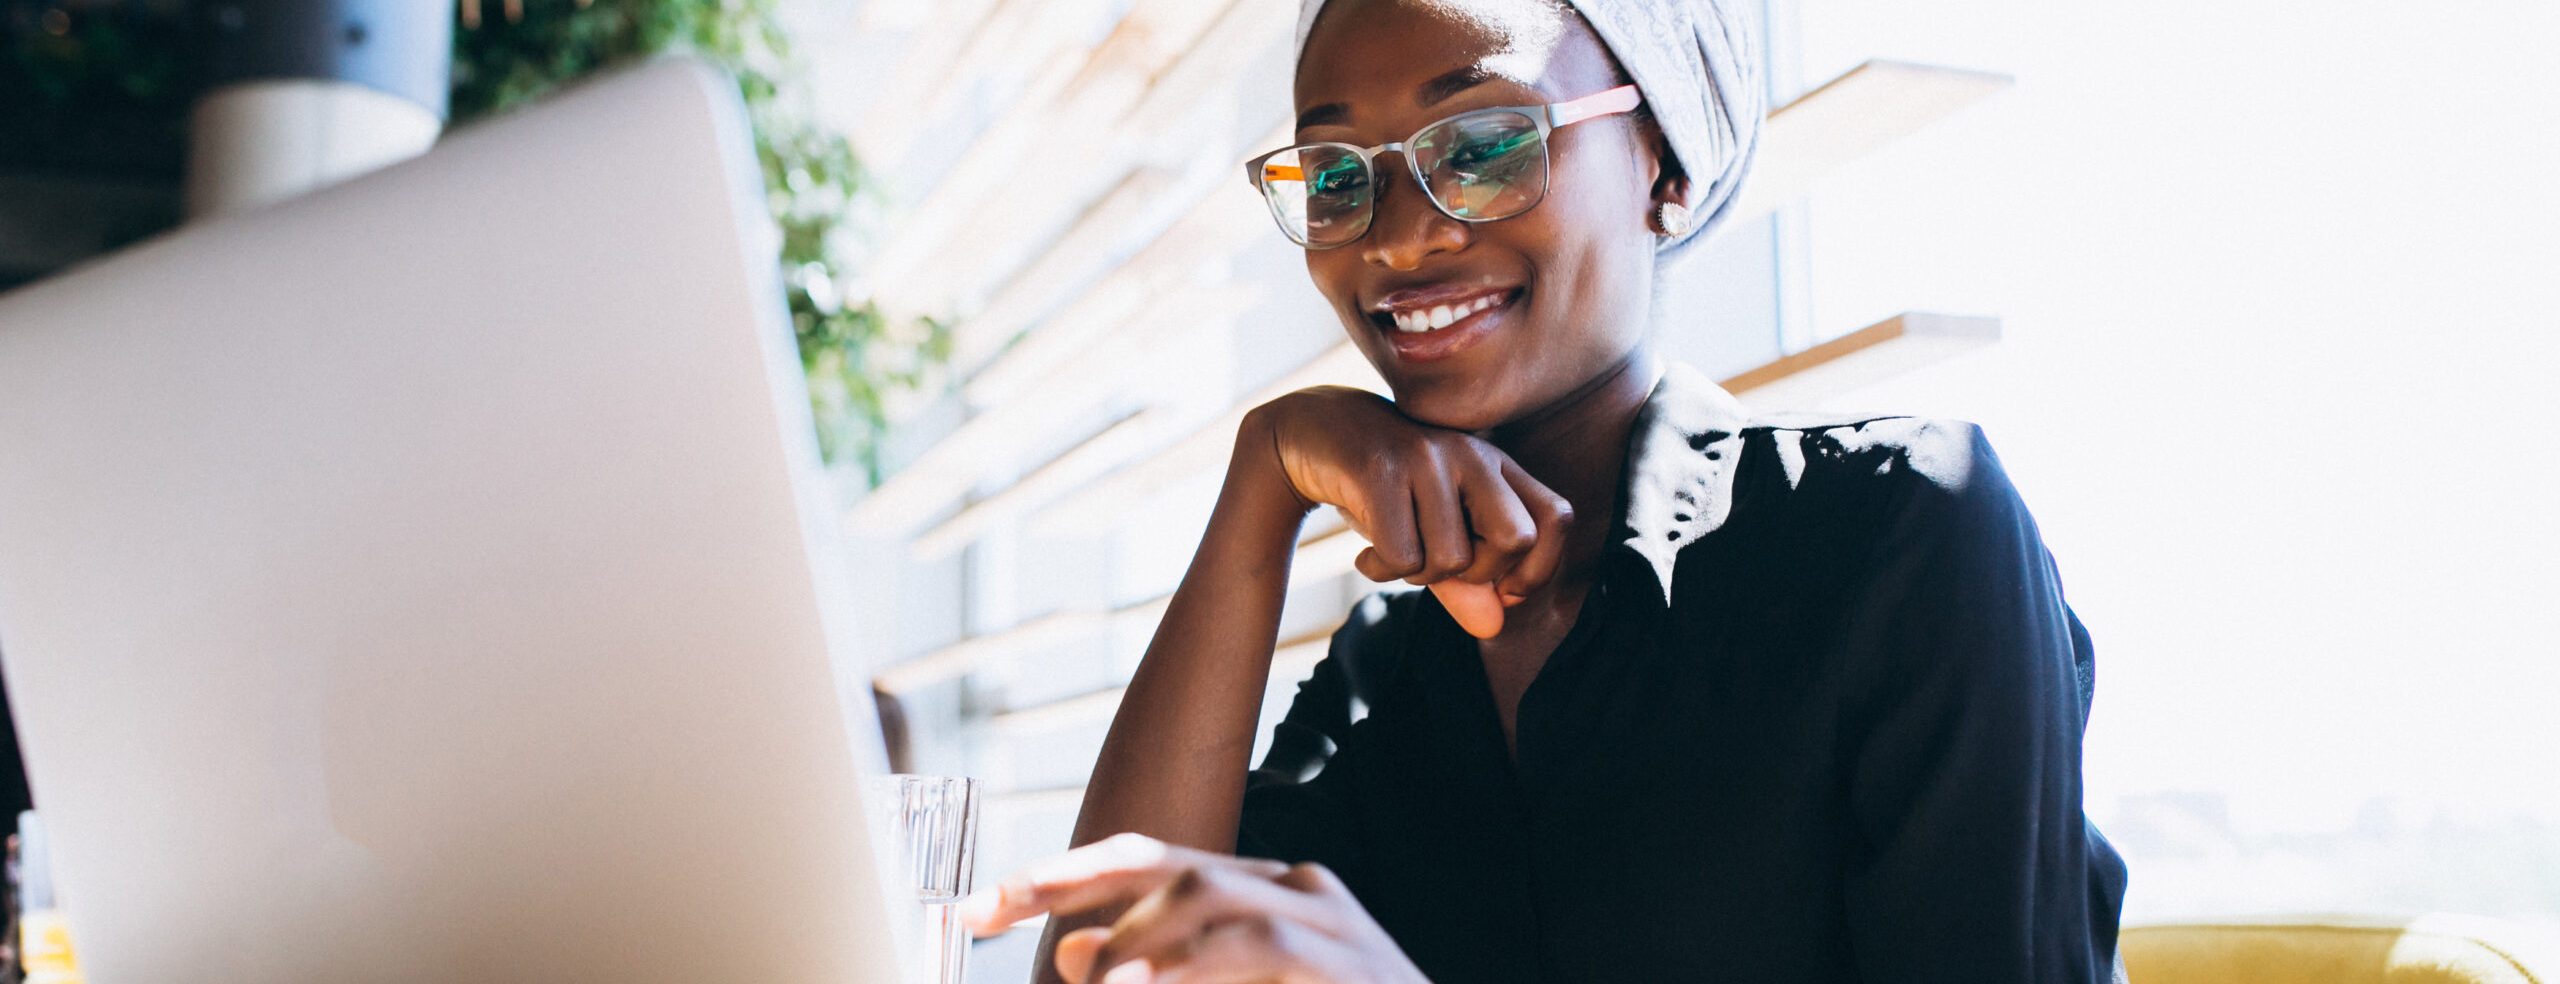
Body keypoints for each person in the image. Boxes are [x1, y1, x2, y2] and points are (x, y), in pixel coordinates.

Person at [960, 0, 2130, 981]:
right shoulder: (1390, 675)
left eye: (1480, 146)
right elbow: (1099, 964)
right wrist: (1262, 485)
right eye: (1334, 176)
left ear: (1661, 166)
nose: (1397, 240)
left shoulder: (1899, 530)